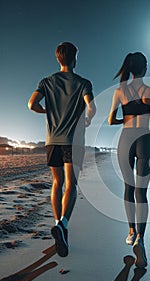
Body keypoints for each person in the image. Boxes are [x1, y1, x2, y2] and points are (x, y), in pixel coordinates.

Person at [28, 42, 96, 257]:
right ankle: (63, 224)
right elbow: (92, 107)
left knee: (57, 183)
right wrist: (87, 118)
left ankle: (58, 223)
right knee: (71, 184)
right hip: (73, 141)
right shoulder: (83, 83)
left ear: (58, 59)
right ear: (74, 58)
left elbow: (31, 104)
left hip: (52, 140)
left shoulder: (46, 82)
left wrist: (47, 111)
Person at [108, 52, 150, 267]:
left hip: (125, 139)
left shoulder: (119, 91)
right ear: (145, 68)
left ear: (131, 68)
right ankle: (141, 238)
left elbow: (111, 119)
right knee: (142, 192)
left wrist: (127, 119)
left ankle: (131, 231)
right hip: (145, 139)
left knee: (128, 187)